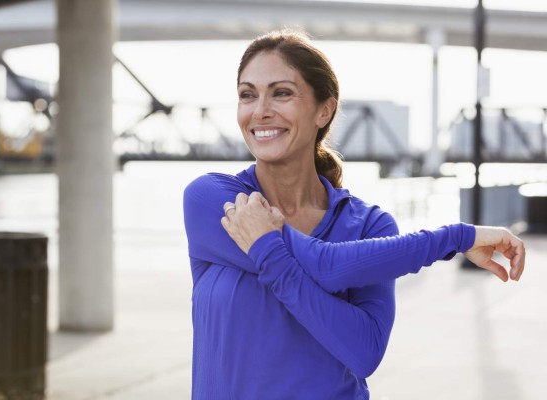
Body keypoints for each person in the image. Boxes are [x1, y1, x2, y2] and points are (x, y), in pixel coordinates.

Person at [183, 30, 525, 400]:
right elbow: (327, 266)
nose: (260, 110)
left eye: (281, 92)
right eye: (248, 94)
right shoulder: (214, 201)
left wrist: (267, 250)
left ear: (324, 110)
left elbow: (363, 353)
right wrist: (457, 237)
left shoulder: (368, 226)